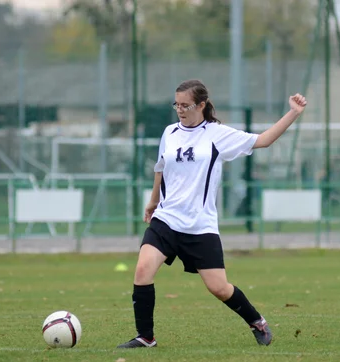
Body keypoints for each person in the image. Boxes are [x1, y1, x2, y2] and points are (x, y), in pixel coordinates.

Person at [117, 79, 307, 348]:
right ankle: (146, 337)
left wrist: (293, 113)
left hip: (199, 225)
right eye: (177, 105)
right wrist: (153, 201)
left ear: (202, 105)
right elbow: (161, 167)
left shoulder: (217, 134)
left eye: (186, 105)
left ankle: (257, 321)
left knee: (219, 287)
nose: (180, 110)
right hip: (167, 219)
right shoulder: (169, 132)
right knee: (142, 270)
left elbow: (263, 140)